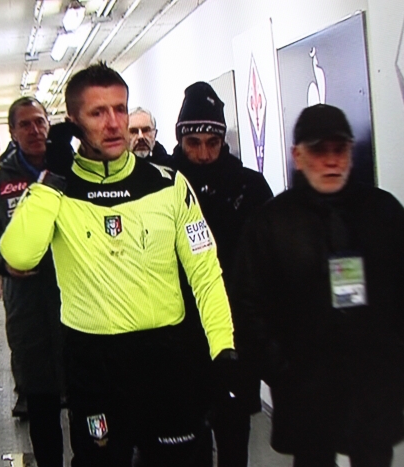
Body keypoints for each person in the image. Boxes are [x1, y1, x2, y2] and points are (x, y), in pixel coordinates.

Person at [0, 62, 238, 467]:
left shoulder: (168, 184)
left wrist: (223, 349)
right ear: (73, 123)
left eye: (120, 109)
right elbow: (19, 255)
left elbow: (206, 274)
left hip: (166, 359)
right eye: (97, 112)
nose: (113, 124)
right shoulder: (55, 190)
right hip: (93, 364)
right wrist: (53, 177)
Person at [234, 104, 404, 467]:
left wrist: (400, 358)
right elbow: (248, 305)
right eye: (318, 150)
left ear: (350, 152)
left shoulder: (384, 213)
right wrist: (280, 369)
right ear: (298, 155)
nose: (330, 161)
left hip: (374, 392)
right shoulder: (271, 224)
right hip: (304, 394)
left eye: (339, 149)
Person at [170, 81, 273, 467]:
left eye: (212, 143)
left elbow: (269, 264)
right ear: (180, 139)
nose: (202, 154)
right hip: (178, 340)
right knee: (185, 449)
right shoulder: (162, 186)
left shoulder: (250, 187)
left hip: (235, 340)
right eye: (193, 143)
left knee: (233, 444)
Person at [0, 97, 65, 467]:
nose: (34, 130)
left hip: (79, 304)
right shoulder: (1, 186)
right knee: (41, 404)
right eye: (25, 124)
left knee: (89, 399)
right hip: (28, 310)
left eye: (39, 121)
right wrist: (2, 268)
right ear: (12, 132)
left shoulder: (71, 170)